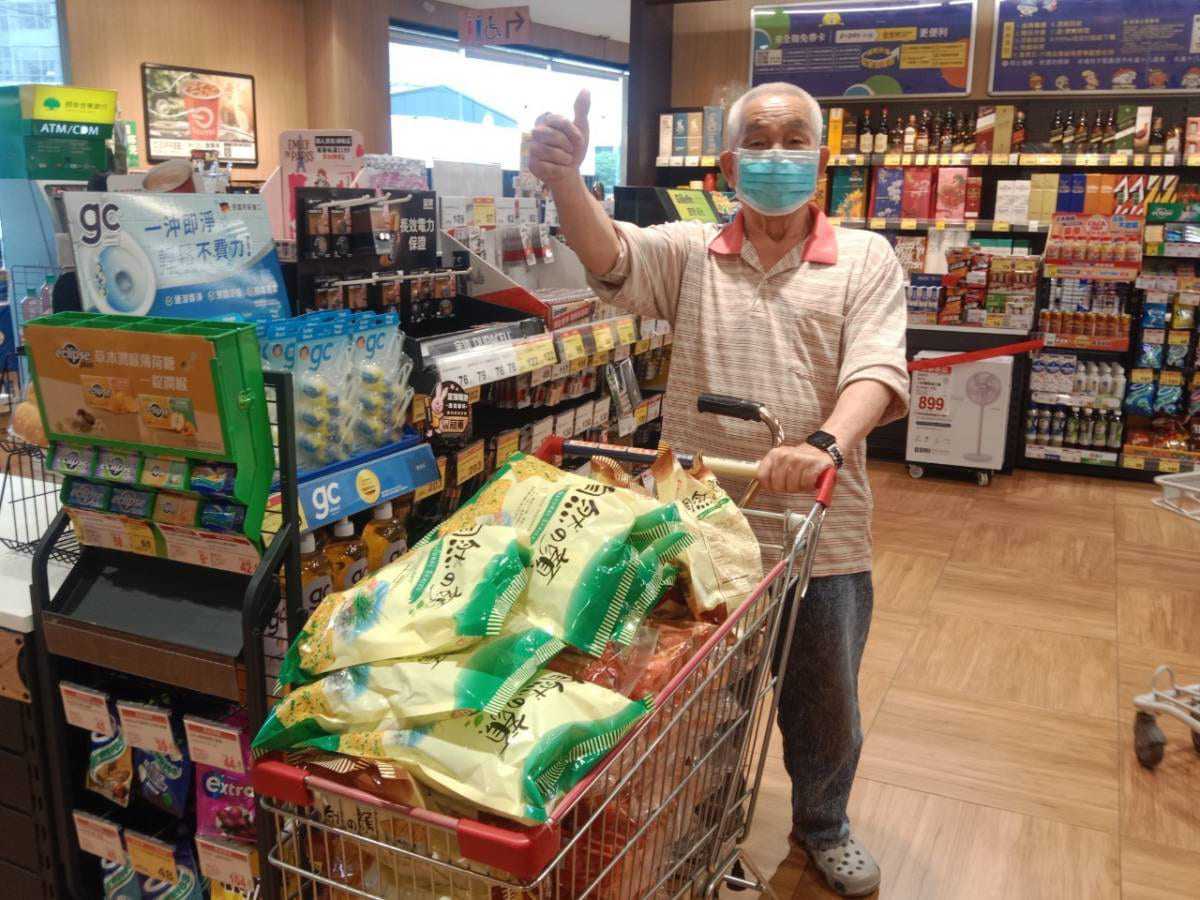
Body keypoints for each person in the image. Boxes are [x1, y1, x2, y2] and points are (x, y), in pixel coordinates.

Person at [529, 83, 908, 897]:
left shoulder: (866, 258)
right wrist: (566, 184)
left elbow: (878, 370)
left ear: (821, 160)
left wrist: (823, 444)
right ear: (731, 166)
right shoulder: (691, 251)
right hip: (698, 531)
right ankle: (707, 820)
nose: (778, 155)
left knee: (825, 701)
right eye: (759, 143)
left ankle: (824, 823)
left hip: (820, 531)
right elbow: (612, 256)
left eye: (794, 139)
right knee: (701, 697)